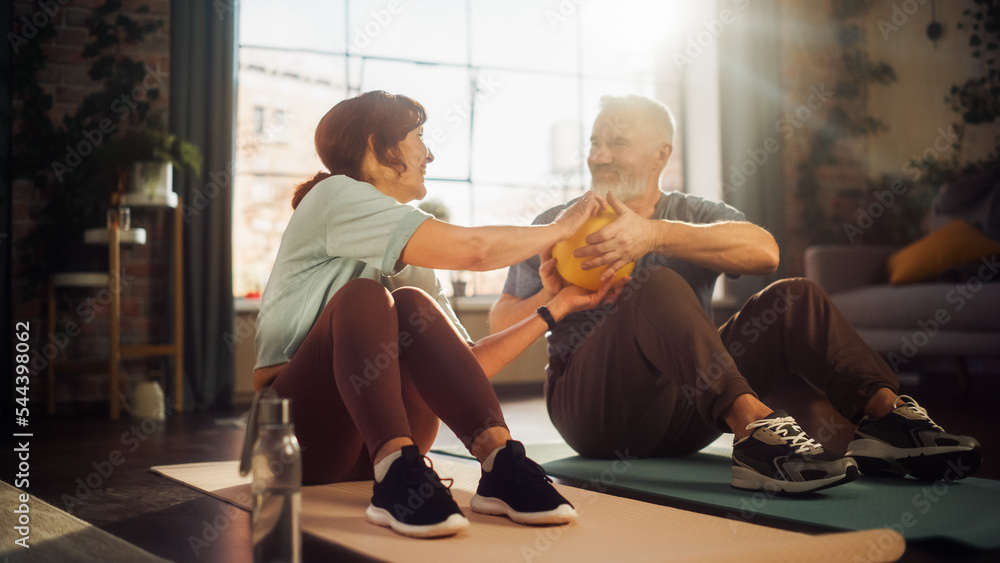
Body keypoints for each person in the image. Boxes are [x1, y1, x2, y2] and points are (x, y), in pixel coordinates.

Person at [491, 94, 983, 495]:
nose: (598, 155)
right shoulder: (557, 223)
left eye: (615, 142)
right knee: (657, 283)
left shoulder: (691, 212)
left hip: (688, 412)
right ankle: (756, 433)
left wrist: (654, 234)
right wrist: (552, 301)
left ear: (662, 154)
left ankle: (886, 422)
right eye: (595, 142)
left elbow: (764, 252)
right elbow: (499, 324)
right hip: (593, 413)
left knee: (795, 296)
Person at [253, 91, 611, 538]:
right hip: (301, 442)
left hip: (387, 438)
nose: (430, 152)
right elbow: (477, 251)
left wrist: (557, 306)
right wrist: (562, 228)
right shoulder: (331, 197)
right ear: (375, 145)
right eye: (419, 136)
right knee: (364, 295)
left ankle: (499, 462)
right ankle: (395, 469)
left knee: (411, 305)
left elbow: (467, 365)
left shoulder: (408, 242)